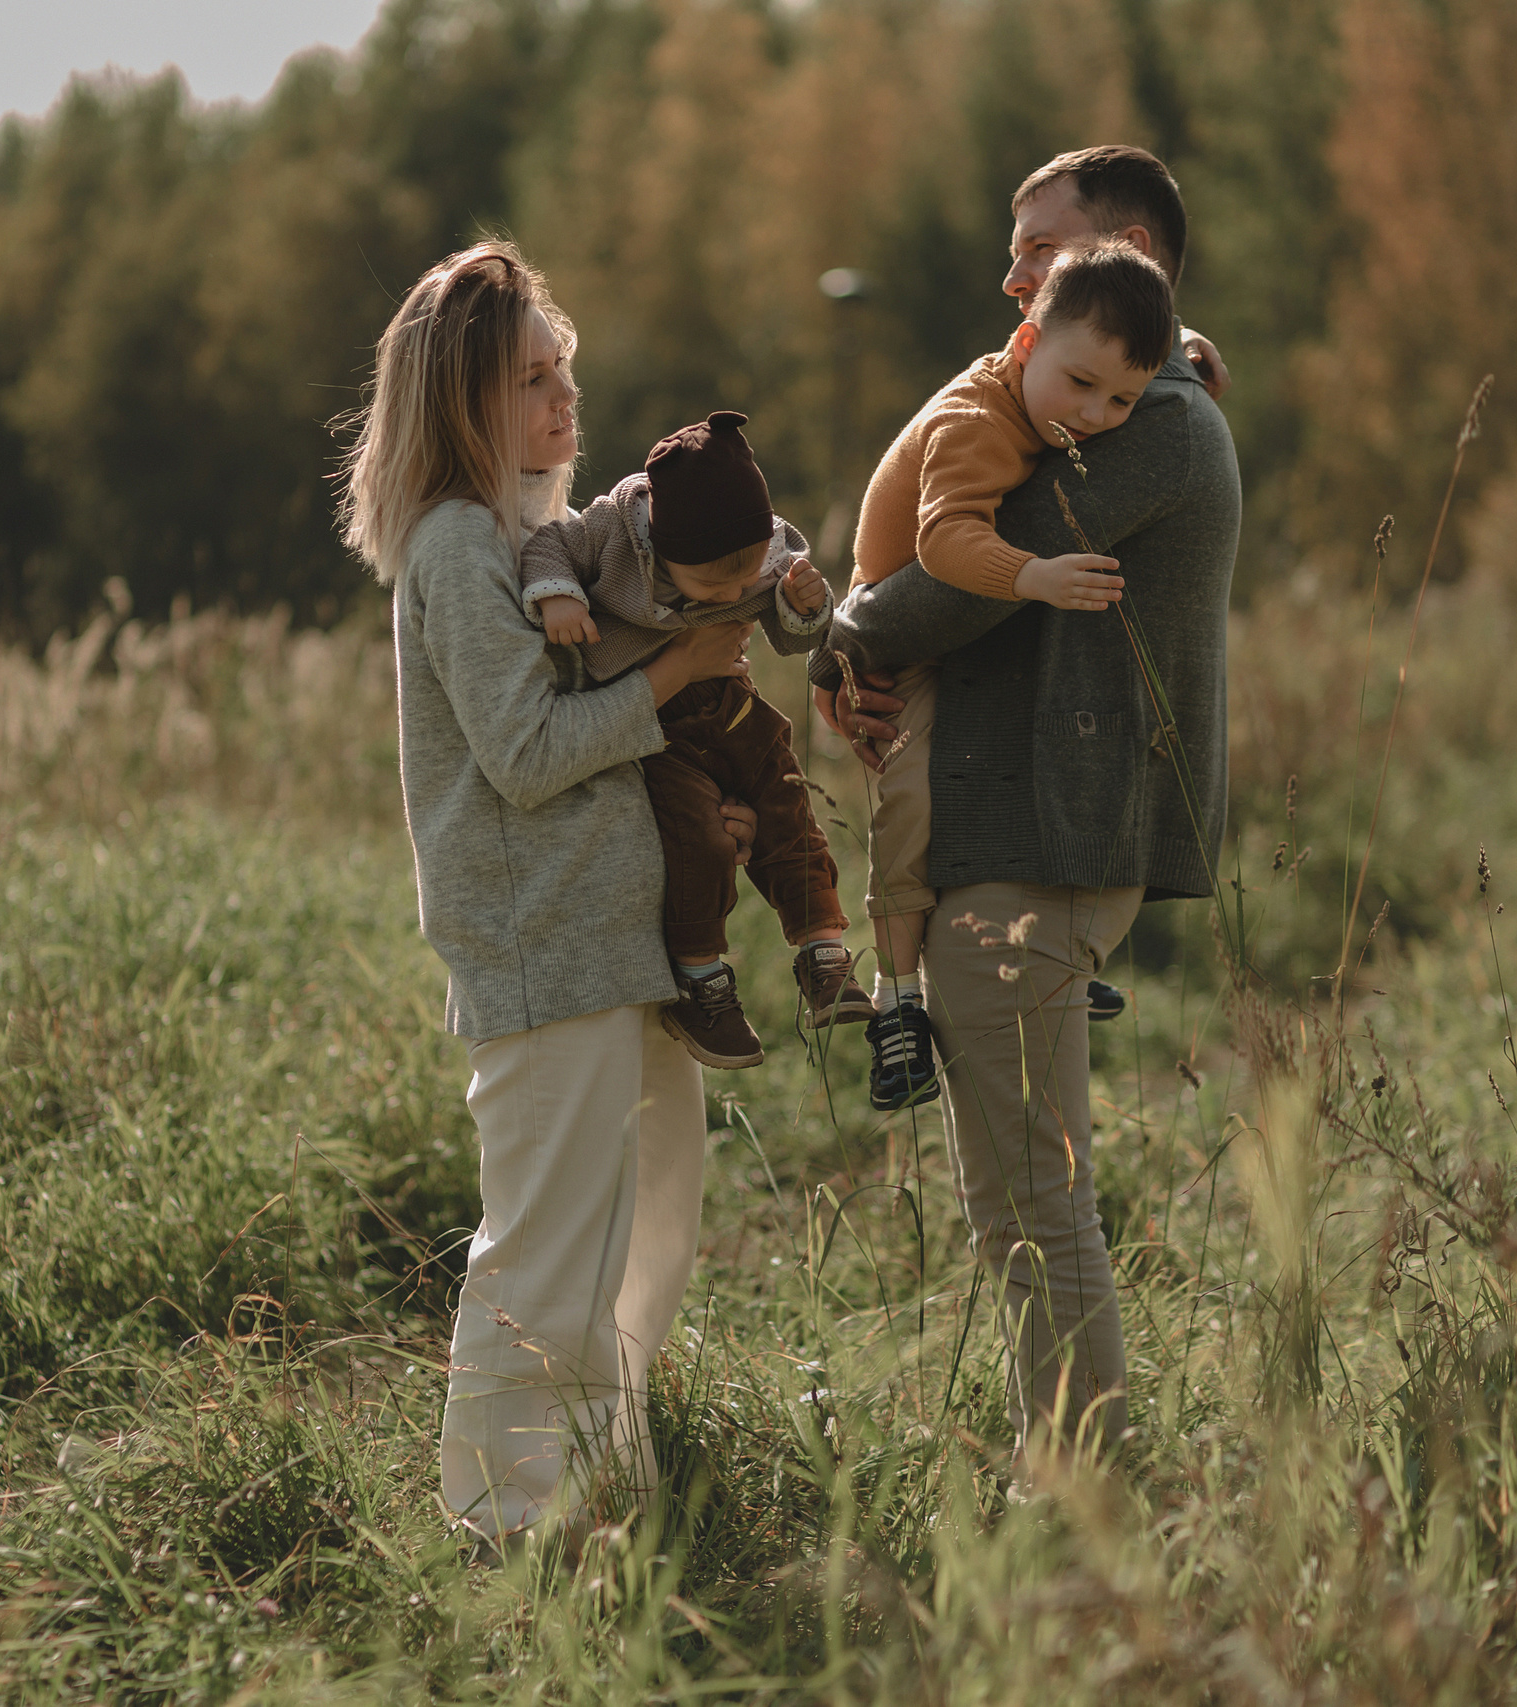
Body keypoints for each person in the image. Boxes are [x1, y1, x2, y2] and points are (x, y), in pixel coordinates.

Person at [811, 144, 1241, 1476]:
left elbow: (956, 581)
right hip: (1017, 843)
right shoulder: (1090, 405)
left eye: (1037, 249)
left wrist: (834, 638)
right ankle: (1077, 1487)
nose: (1010, 274)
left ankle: (1099, 1506)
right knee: (1013, 1199)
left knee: (1037, 1206)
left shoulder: (1152, 421)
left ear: (1125, 261)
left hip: (1038, 850)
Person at [339, 240, 757, 1553]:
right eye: (532, 378)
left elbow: (582, 742)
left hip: (611, 942)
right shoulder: (458, 548)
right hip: (542, 948)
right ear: (461, 399)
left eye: (564, 369)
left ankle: (605, 1470)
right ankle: (504, 1522)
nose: (565, 399)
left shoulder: (535, 539)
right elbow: (521, 755)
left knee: (650, 1220)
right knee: (542, 1254)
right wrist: (679, 676)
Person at [840, 239, 1178, 1112]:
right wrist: (1036, 573)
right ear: (1023, 346)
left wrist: (1190, 362)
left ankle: (1051, 954)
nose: (1101, 412)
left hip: (967, 637)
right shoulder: (975, 421)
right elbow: (941, 541)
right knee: (908, 797)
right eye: (1083, 386)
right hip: (897, 647)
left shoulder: (1060, 380)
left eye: (1126, 399)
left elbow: (1097, 334)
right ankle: (896, 1002)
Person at [521, 410, 874, 1071]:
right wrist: (559, 596)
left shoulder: (760, 550)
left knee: (785, 804)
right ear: (660, 547)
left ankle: (824, 951)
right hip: (653, 723)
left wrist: (803, 606)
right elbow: (546, 545)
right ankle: (701, 976)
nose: (734, 594)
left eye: (744, 582)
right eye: (715, 586)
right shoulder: (614, 532)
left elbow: (794, 639)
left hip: (731, 703)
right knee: (697, 836)